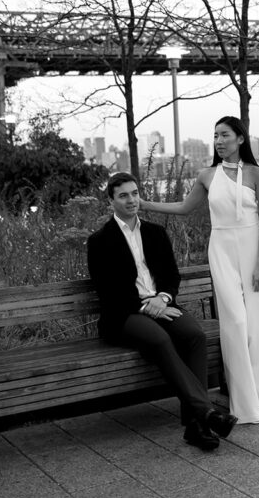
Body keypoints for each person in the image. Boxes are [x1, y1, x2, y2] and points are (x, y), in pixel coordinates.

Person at [140, 116, 259, 424]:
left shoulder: (257, 175)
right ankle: (243, 404)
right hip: (222, 250)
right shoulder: (207, 175)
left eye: (224, 135)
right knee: (235, 322)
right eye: (215, 135)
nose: (218, 140)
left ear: (240, 139)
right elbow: (185, 209)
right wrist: (145, 204)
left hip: (254, 249)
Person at [87, 172, 237, 451]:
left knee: (194, 335)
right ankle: (205, 414)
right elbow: (107, 291)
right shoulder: (99, 241)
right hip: (124, 315)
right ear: (111, 201)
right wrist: (148, 306)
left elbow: (171, 275)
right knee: (160, 339)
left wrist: (163, 298)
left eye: (134, 193)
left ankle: (196, 425)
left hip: (161, 304)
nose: (131, 200)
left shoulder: (155, 232)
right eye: (123, 195)